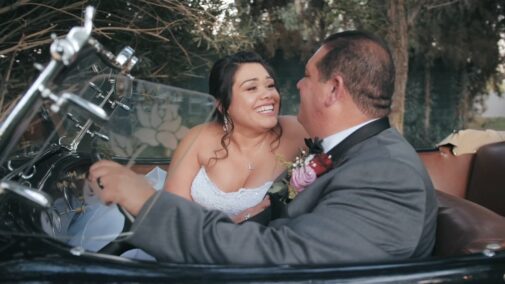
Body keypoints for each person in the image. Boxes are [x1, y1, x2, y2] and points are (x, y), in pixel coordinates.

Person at [89, 30, 438, 265]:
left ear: (333, 89)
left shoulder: (385, 172)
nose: (296, 86)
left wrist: (147, 204)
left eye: (307, 76)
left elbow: (279, 255)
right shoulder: (350, 151)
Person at [163, 51, 307, 223]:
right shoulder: (198, 137)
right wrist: (236, 221)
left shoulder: (299, 131)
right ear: (222, 105)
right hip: (191, 246)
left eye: (270, 85)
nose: (269, 95)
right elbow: (172, 212)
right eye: (251, 88)